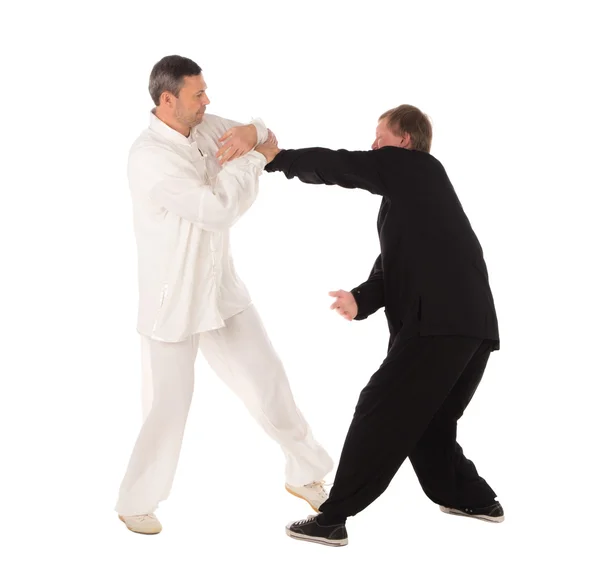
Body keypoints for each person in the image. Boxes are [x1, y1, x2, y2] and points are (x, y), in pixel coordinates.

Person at [260, 105, 503, 547]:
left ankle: (332, 518)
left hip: (441, 323)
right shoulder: (414, 198)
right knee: (429, 420)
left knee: (381, 407)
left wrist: (277, 159)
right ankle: (474, 499)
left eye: (380, 137)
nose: (373, 146)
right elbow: (392, 267)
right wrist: (362, 298)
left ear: (405, 141)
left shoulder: (417, 168)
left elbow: (342, 165)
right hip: (470, 324)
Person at [115, 55, 332, 535]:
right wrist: (252, 155)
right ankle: (136, 500)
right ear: (167, 100)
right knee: (168, 406)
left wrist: (252, 135)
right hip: (172, 301)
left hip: (221, 288)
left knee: (267, 378)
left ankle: (306, 473)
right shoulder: (149, 156)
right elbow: (217, 210)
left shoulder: (206, 126)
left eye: (206, 91)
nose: (208, 101)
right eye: (198, 94)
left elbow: (261, 130)